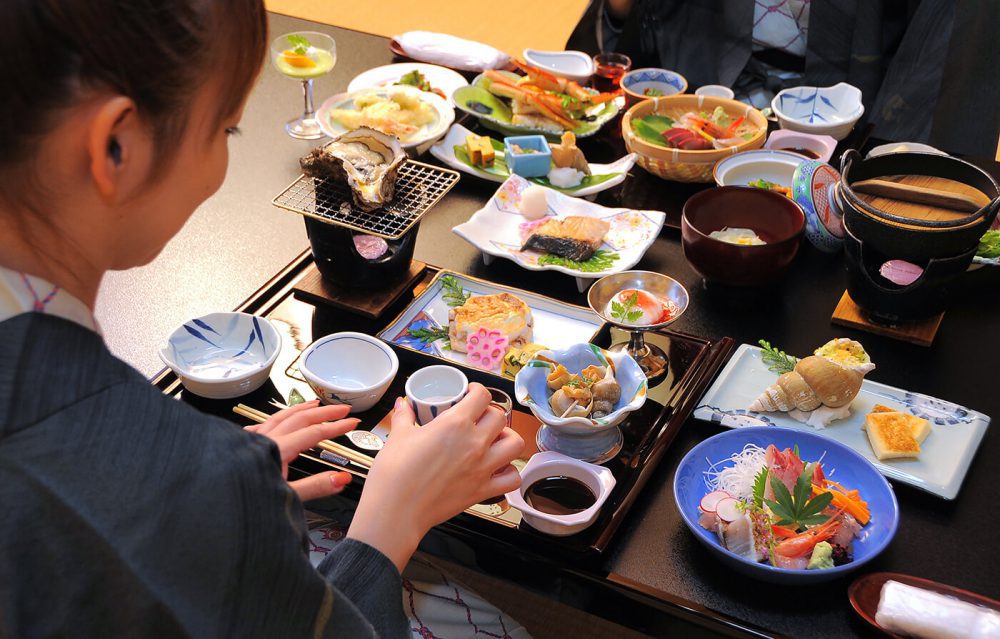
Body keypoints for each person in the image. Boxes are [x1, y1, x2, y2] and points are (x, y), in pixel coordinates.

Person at [0, 1, 525, 637]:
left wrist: (212, 494)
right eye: (226, 129)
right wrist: (393, 519)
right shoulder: (179, 478)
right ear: (117, 145)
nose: (221, 161)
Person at [567, 0, 1000, 157]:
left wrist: (890, 158)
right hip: (706, 118)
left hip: (849, 126)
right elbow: (633, 40)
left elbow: (942, 58)